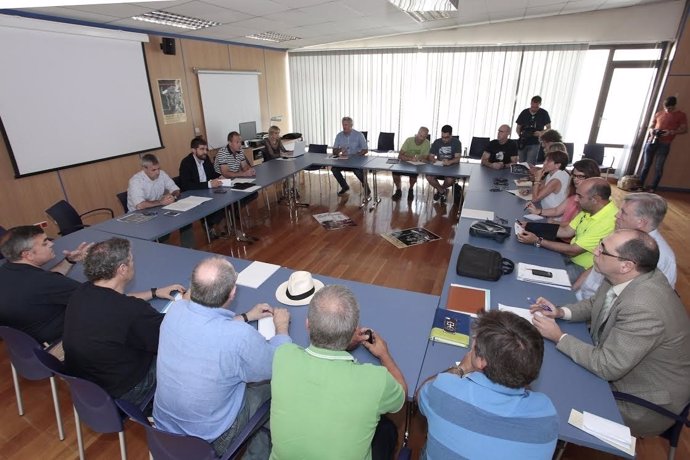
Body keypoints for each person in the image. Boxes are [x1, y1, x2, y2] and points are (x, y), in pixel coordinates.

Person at [531, 229, 690, 437]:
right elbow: (595, 303)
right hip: (619, 369)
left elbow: (606, 366)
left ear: (627, 265)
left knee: (547, 395)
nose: (596, 251)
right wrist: (561, 312)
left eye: (603, 249)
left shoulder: (644, 307)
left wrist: (558, 336)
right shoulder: (626, 275)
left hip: (641, 401)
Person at [154, 257, 291, 458]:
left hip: (163, 432)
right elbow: (275, 365)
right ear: (233, 292)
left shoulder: (175, 310)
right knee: (276, 385)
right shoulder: (238, 336)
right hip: (211, 439)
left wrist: (246, 316)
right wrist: (281, 328)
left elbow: (205, 326)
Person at [270, 285, 406, 460]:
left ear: (307, 325)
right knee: (386, 429)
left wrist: (281, 327)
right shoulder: (376, 380)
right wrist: (384, 354)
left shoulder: (283, 356)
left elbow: (283, 343)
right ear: (353, 331)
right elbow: (401, 395)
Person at [417, 310, 558, 459]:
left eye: (475, 340)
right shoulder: (546, 414)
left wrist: (462, 368)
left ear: (480, 361)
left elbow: (421, 394)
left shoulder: (445, 388)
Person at [63, 238, 184, 406]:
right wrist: (187, 304)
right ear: (122, 269)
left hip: (87, 385)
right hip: (124, 391)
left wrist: (154, 292)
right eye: (131, 259)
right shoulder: (133, 311)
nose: (133, 263)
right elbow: (171, 336)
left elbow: (116, 300)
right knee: (182, 353)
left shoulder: (81, 292)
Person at [575, 193, 676, 299]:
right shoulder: (622, 232)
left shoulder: (659, 258)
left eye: (623, 212)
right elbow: (596, 263)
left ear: (640, 222)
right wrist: (574, 288)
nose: (616, 215)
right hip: (582, 295)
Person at [0, 225, 91, 344]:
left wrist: (69, 260)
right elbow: (95, 296)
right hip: (60, 342)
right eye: (44, 243)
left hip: (28, 343)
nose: (51, 244)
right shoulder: (44, 282)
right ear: (28, 255)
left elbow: (44, 283)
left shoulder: (8, 271)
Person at [518, 177, 618, 283]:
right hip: (571, 258)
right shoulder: (592, 208)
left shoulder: (608, 221)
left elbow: (573, 250)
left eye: (579, 196)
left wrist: (538, 241)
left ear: (595, 199)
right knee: (534, 262)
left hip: (583, 268)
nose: (575, 199)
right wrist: (530, 226)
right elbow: (567, 231)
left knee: (534, 278)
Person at [178, 136, 226, 241]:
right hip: (193, 195)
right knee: (211, 205)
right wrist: (209, 185)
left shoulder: (206, 158)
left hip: (208, 191)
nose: (205, 152)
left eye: (206, 149)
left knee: (225, 200)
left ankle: (217, 225)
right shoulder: (186, 163)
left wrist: (219, 176)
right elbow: (187, 185)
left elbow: (212, 173)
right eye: (202, 149)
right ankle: (209, 226)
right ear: (193, 150)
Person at [526, 158, 600, 225]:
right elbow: (557, 210)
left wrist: (554, 222)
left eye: (580, 176)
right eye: (574, 176)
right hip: (562, 231)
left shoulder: (590, 201)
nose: (575, 179)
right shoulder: (575, 195)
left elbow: (572, 227)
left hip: (565, 236)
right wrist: (537, 211)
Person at [639, 96, 687, 192]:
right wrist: (652, 130)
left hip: (665, 144)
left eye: (669, 108)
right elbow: (650, 126)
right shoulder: (659, 113)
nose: (667, 110)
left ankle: (653, 188)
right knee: (646, 165)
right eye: (666, 108)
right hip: (651, 142)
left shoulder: (681, 115)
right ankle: (639, 186)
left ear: (674, 106)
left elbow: (684, 129)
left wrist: (671, 132)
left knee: (658, 167)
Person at [331, 117, 370, 197]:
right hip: (344, 161)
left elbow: (365, 150)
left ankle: (366, 187)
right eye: (343, 124)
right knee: (334, 169)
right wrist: (340, 150)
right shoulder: (339, 135)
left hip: (356, 160)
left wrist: (356, 155)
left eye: (346, 125)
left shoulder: (359, 135)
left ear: (351, 125)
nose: (344, 126)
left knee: (357, 171)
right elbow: (334, 151)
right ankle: (344, 186)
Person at [392, 126, 430, 201]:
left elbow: (426, 158)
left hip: (416, 165)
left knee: (413, 174)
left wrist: (419, 159)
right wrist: (410, 158)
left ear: (426, 137)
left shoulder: (427, 143)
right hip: (404, 163)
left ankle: (411, 189)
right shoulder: (409, 140)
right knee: (395, 173)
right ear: (417, 133)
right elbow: (400, 155)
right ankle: (398, 190)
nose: (420, 138)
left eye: (423, 137)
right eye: (420, 135)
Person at [427, 125, 462, 204]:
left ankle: (440, 191)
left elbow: (457, 158)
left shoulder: (457, 142)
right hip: (439, 166)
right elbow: (431, 156)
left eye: (446, 137)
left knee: (449, 180)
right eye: (443, 137)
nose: (444, 139)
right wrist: (434, 159)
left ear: (451, 135)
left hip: (452, 167)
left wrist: (449, 162)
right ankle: (442, 191)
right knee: (429, 177)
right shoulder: (437, 142)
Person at [515, 96, 551, 164]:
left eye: (536, 107)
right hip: (523, 142)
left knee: (530, 164)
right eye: (532, 106)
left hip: (535, 142)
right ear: (530, 103)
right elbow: (518, 128)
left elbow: (549, 128)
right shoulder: (524, 112)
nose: (533, 109)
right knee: (521, 163)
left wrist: (540, 132)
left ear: (540, 104)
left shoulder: (544, 113)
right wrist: (521, 135)